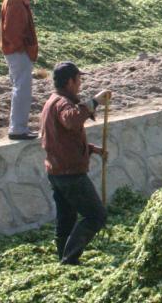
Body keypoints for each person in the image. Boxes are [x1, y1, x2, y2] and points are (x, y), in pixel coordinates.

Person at [41, 62, 111, 265]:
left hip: (56, 171)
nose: (80, 84)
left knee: (66, 217)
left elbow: (61, 139)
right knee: (96, 215)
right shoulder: (63, 103)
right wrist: (94, 102)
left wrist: (91, 149)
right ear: (70, 81)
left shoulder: (50, 102)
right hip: (70, 174)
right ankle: (69, 258)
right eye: (79, 79)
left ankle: (63, 255)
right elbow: (71, 121)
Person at [0, 0, 40, 140]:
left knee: (21, 88)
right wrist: (22, 49)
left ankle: (19, 127)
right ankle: (18, 129)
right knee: (22, 89)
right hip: (18, 51)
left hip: (17, 50)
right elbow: (12, 32)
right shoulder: (15, 0)